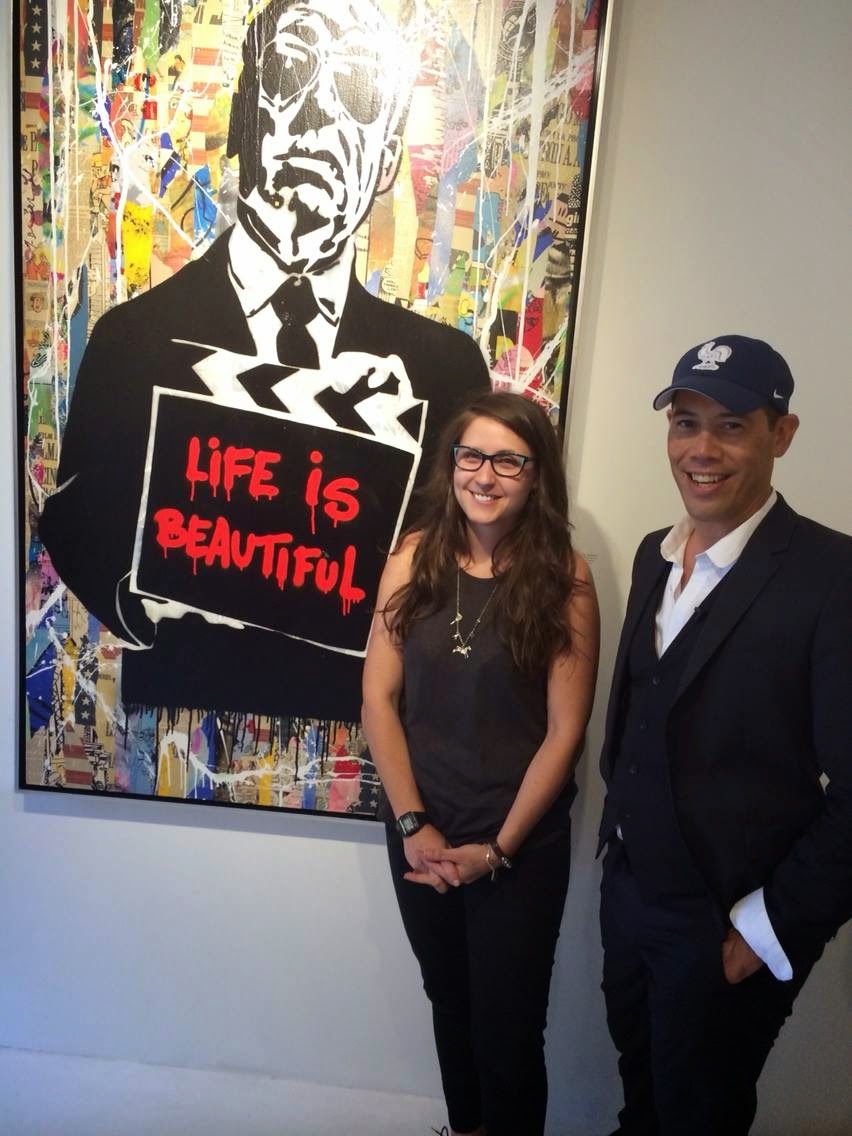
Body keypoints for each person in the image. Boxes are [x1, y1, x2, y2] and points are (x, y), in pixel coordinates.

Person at [39, 0, 490, 722]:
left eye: (357, 91)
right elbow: (69, 519)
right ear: (243, 116)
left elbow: (472, 557)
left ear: (386, 159)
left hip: (361, 718)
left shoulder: (445, 370)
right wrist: (145, 591)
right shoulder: (133, 340)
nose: (319, 113)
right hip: (180, 704)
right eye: (290, 69)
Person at [597, 334, 852, 1135]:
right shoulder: (654, 555)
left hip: (727, 919)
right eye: (685, 422)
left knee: (699, 1118)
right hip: (630, 897)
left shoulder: (833, 577)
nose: (700, 450)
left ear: (783, 434)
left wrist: (764, 928)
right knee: (641, 1100)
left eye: (731, 425)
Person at [362, 391, 599, 1136]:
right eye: (472, 455)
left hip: (518, 845)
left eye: (508, 461)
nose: (485, 475)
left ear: (537, 476)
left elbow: (564, 732)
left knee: (509, 1026)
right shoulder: (412, 557)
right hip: (421, 833)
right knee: (451, 1002)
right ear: (452, 463)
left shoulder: (566, 578)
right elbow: (378, 699)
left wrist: (498, 850)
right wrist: (414, 826)